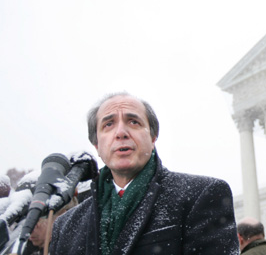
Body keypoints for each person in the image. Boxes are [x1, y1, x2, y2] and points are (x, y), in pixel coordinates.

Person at [49, 92, 239, 255]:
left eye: (133, 122)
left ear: (153, 137)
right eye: (108, 124)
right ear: (97, 144)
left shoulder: (201, 195)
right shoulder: (65, 226)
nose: (121, 132)